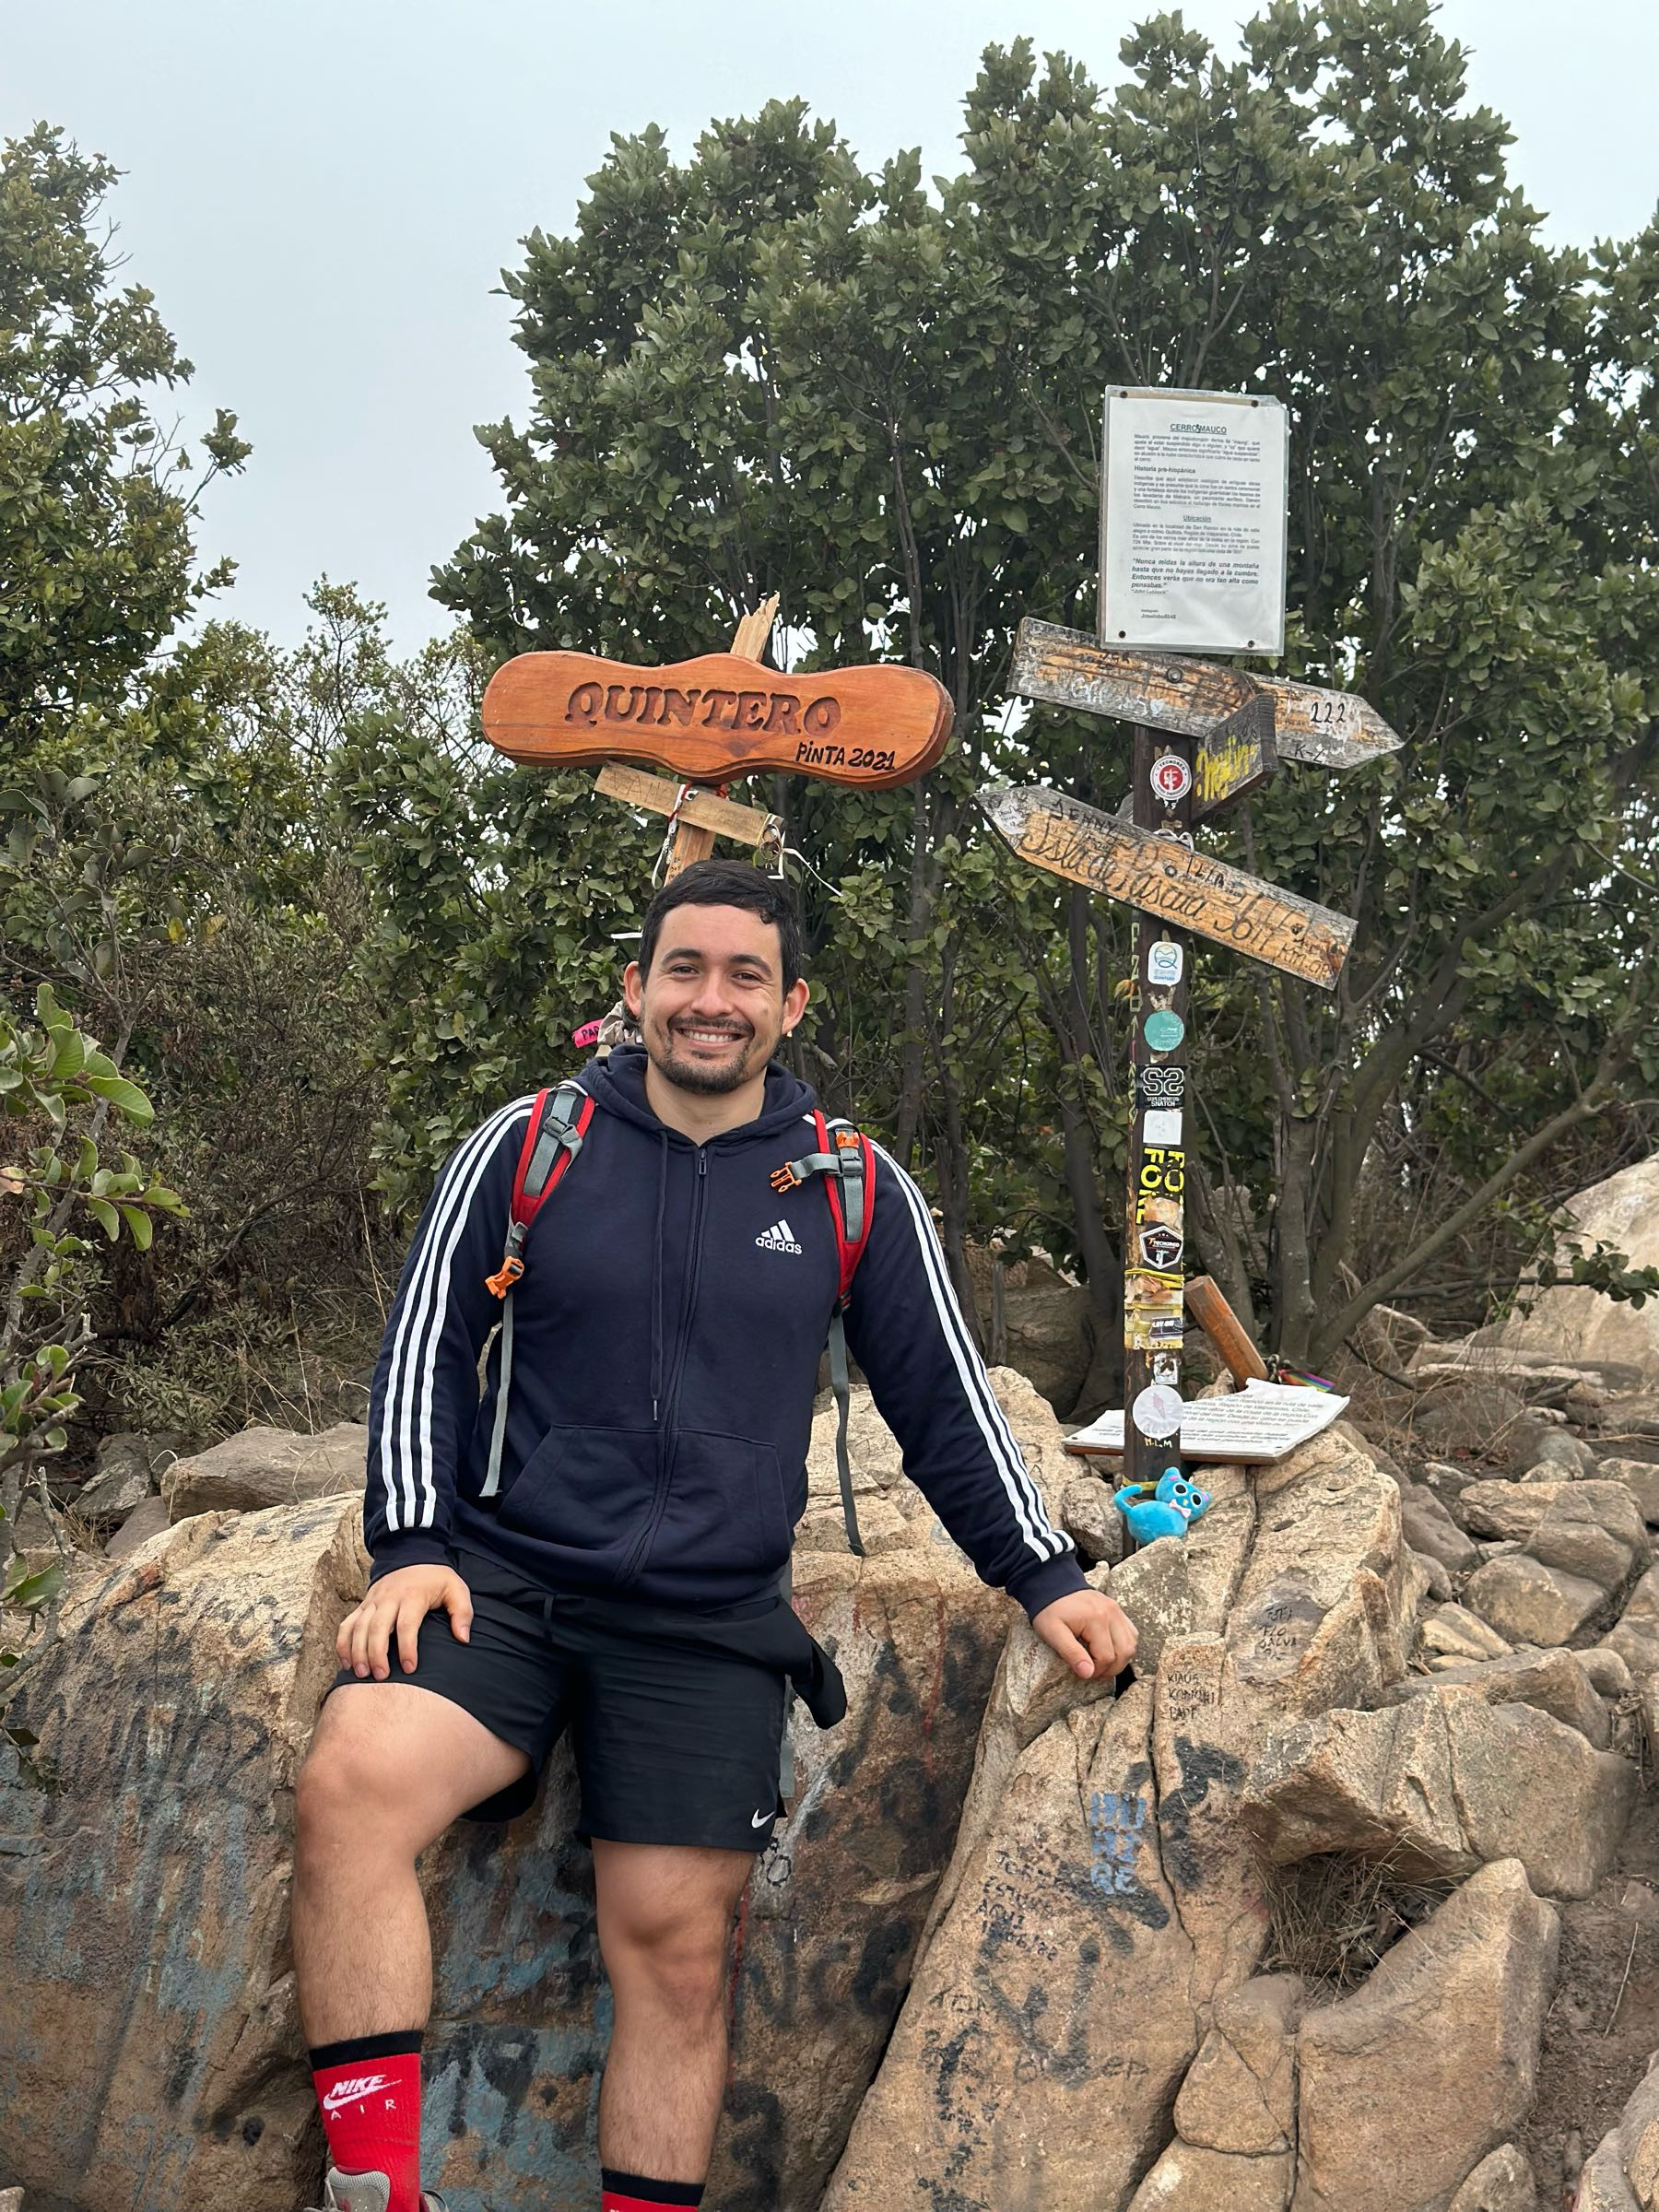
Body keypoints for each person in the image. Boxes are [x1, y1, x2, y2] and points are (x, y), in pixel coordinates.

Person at [292, 858, 1137, 2212]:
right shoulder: (531, 1146)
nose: (711, 1000)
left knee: (679, 1953)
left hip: (707, 1617)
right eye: (684, 969)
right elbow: (427, 1347)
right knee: (352, 1782)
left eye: (747, 976)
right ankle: (375, 2191)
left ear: (790, 1005)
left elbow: (943, 1400)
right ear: (636, 989)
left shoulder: (851, 1186)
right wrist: (411, 1546)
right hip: (506, 1581)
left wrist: (1042, 1575)